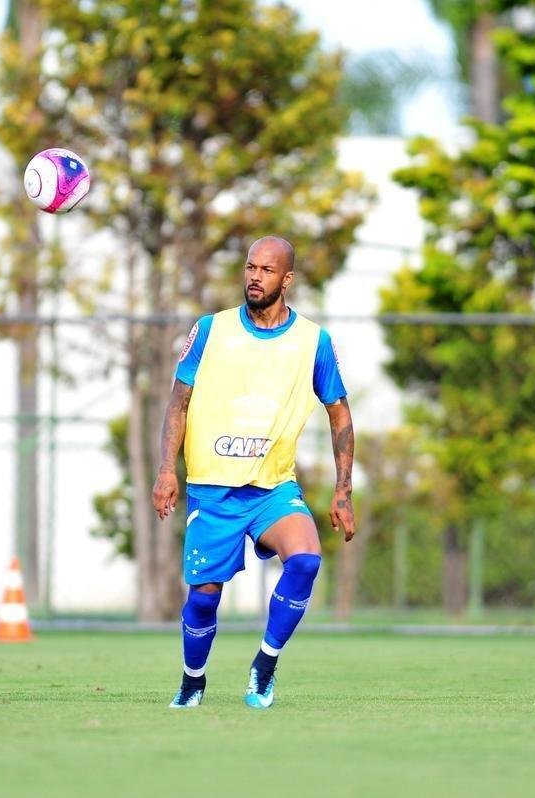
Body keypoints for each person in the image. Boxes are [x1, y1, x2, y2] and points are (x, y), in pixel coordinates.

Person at [152, 235, 355, 710]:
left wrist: (343, 489)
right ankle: (193, 679)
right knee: (203, 599)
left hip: (272, 489)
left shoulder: (313, 342)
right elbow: (177, 403)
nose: (254, 277)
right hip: (213, 491)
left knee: (305, 559)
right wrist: (167, 470)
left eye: (266, 270)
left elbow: (340, 415)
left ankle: (265, 665)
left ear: (286, 279)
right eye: (249, 267)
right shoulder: (210, 330)